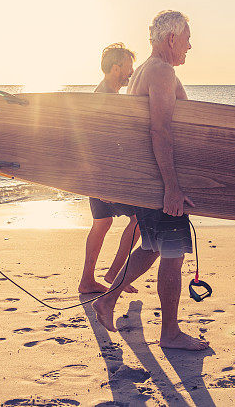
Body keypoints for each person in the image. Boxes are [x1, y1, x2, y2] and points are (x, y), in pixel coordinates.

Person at [92, 11, 209, 351]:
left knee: (153, 248)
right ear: (171, 39)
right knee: (172, 255)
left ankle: (107, 301)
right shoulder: (160, 71)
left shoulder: (144, 70)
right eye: (186, 38)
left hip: (149, 179)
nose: (190, 45)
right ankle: (170, 333)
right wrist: (172, 187)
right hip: (159, 181)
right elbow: (160, 128)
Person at [79, 43, 142, 294]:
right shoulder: (105, 98)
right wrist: (102, 182)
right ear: (117, 68)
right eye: (129, 67)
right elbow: (97, 141)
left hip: (97, 175)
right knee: (139, 220)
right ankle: (116, 273)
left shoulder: (103, 93)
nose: (132, 72)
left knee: (102, 222)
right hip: (104, 176)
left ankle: (87, 280)